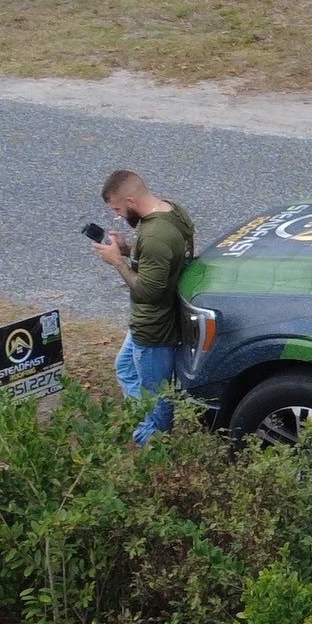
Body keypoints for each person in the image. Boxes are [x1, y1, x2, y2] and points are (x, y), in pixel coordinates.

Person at [93, 170, 195, 445]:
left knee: (155, 392)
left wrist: (117, 261)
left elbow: (148, 292)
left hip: (154, 328)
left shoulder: (154, 236)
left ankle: (155, 442)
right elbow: (163, 261)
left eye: (117, 209)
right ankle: (146, 425)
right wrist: (128, 250)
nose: (118, 216)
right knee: (125, 366)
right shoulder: (172, 211)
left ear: (130, 200)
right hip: (153, 322)